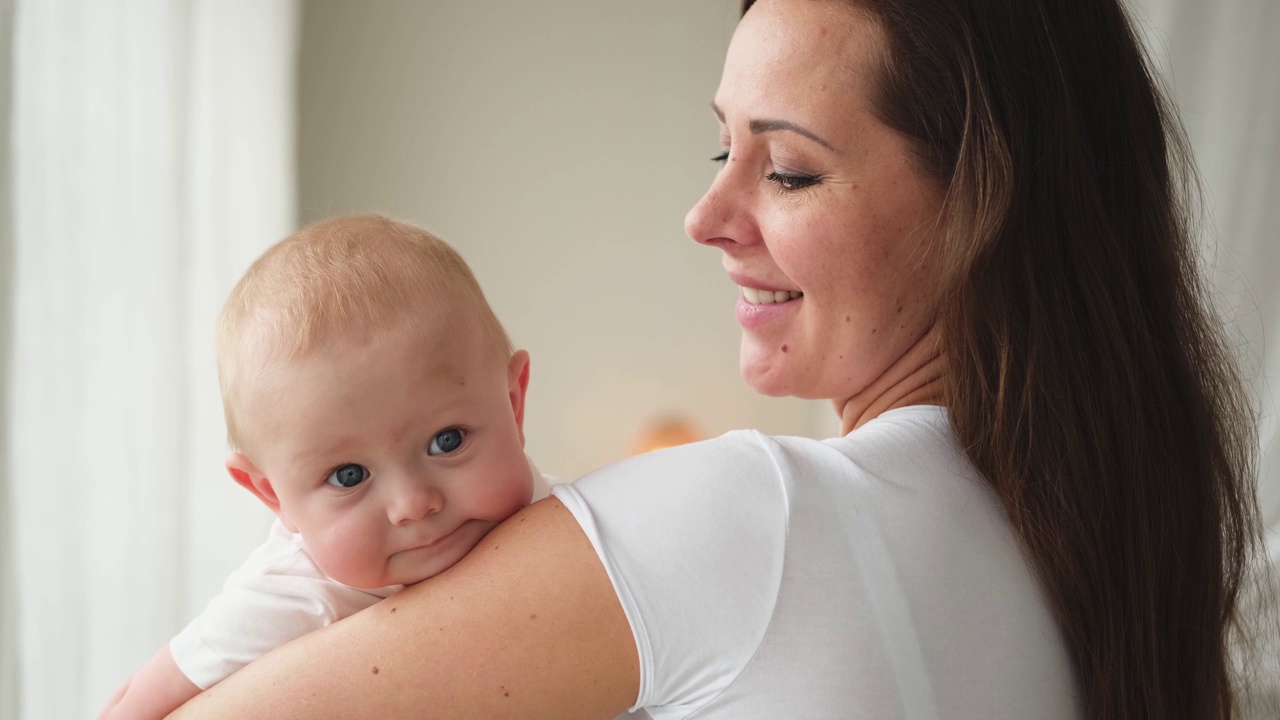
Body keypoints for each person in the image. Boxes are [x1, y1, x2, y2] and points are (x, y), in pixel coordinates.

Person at [169, 0, 1271, 718]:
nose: (703, 216)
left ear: (983, 204)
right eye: (721, 147)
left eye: (785, 170)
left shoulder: (753, 520)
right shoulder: (1087, 548)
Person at [98, 214, 546, 720]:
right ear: (273, 496)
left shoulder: (567, 522)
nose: (413, 504)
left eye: (447, 442)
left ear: (513, 404)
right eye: (348, 476)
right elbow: (137, 705)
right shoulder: (292, 593)